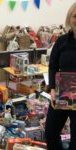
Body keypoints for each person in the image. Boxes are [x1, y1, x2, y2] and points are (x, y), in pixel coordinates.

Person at [45, 2, 76, 150]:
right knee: (50, 133)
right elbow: (53, 65)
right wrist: (52, 88)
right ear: (70, 18)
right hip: (63, 91)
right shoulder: (62, 41)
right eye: (75, 16)